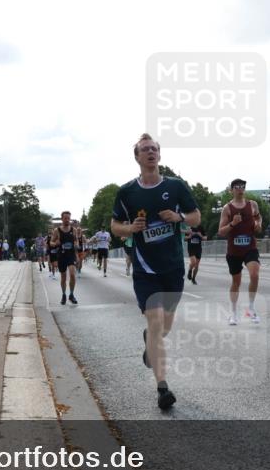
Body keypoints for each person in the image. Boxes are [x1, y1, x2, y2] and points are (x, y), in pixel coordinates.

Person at [111, 133, 200, 411]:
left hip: (172, 267)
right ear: (137, 157)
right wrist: (130, 229)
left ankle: (151, 343)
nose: (150, 152)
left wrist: (179, 218)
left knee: (165, 327)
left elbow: (196, 217)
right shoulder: (127, 192)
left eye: (154, 149)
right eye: (144, 149)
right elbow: (115, 225)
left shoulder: (175, 187)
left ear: (159, 155)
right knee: (155, 320)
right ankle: (163, 388)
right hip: (145, 268)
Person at [218, 178, 262, 325]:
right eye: (237, 186)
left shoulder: (252, 205)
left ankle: (251, 309)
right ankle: (233, 312)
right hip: (234, 250)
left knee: (254, 275)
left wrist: (258, 224)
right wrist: (233, 223)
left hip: (250, 247)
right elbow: (221, 232)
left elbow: (258, 218)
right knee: (236, 282)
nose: (240, 189)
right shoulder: (227, 208)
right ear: (232, 190)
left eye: (242, 186)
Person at [50, 211, 79, 304]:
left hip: (71, 255)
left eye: (68, 218)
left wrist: (76, 244)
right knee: (63, 277)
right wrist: (55, 243)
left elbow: (77, 241)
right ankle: (63, 295)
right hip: (61, 255)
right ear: (62, 219)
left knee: (72, 274)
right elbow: (51, 242)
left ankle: (71, 294)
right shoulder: (57, 230)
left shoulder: (73, 230)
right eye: (65, 218)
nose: (67, 220)